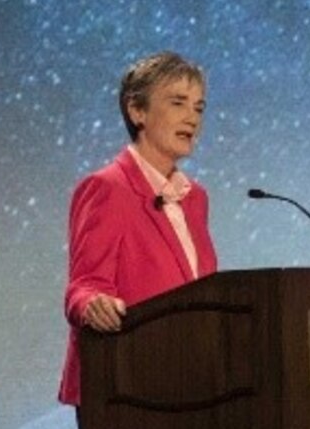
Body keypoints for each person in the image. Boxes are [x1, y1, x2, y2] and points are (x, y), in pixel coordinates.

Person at [57, 50, 219, 406]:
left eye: (199, 107)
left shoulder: (196, 198)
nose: (192, 117)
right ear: (137, 111)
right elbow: (82, 287)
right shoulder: (106, 188)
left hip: (189, 383)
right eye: (178, 103)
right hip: (123, 387)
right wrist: (92, 305)